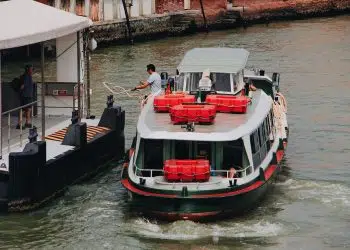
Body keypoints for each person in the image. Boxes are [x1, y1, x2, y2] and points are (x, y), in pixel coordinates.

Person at [16, 65, 34, 129]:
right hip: (25, 96)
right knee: (23, 109)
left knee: (28, 109)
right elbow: (22, 86)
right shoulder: (26, 76)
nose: (32, 71)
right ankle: (19, 124)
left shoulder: (28, 76)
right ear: (27, 70)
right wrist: (21, 93)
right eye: (31, 69)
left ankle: (27, 122)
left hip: (28, 96)